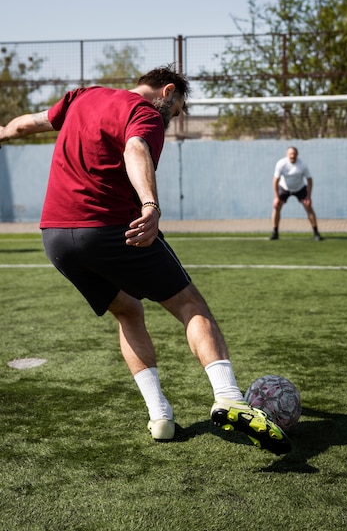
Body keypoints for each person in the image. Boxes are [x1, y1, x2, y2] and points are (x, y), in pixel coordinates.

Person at [0, 65, 291, 456]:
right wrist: (150, 205)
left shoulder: (80, 97)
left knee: (128, 310)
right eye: (177, 108)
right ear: (166, 92)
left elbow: (23, 126)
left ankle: (161, 416)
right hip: (109, 228)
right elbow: (135, 148)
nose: (174, 116)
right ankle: (229, 398)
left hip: (55, 237)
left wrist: (1, 132)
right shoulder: (147, 112)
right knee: (190, 305)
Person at [270, 146, 323, 241]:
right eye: (290, 154)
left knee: (308, 207)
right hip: (284, 188)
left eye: (294, 154)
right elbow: (275, 180)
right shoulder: (281, 164)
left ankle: (316, 233)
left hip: (300, 188)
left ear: (297, 155)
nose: (292, 155)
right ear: (287, 155)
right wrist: (276, 197)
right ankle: (275, 232)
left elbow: (309, 180)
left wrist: (308, 196)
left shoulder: (302, 165)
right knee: (276, 207)